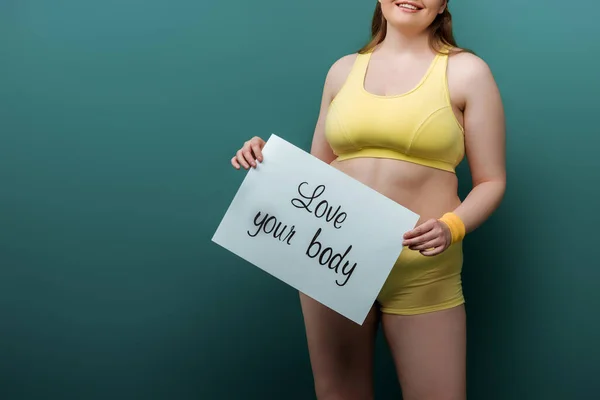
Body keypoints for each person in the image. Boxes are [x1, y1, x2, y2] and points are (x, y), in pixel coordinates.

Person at [231, 0, 506, 399]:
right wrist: (265, 160)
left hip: (421, 266)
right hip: (330, 258)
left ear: (444, 2)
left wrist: (453, 226)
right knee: (338, 393)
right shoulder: (342, 71)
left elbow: (491, 180)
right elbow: (316, 174)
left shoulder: (467, 72)